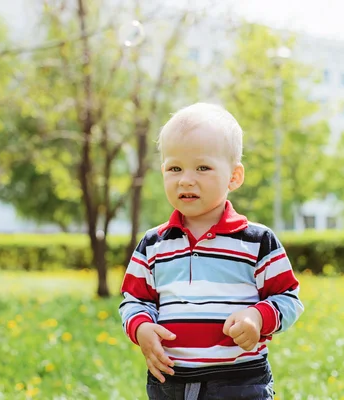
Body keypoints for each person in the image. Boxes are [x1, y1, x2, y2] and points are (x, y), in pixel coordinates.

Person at [119, 102, 304, 400]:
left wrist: (258, 318)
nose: (186, 179)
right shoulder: (153, 244)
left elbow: (288, 299)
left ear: (234, 176)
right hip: (169, 379)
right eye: (174, 168)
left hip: (239, 381)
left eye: (202, 167)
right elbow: (134, 300)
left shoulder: (257, 242)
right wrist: (141, 328)